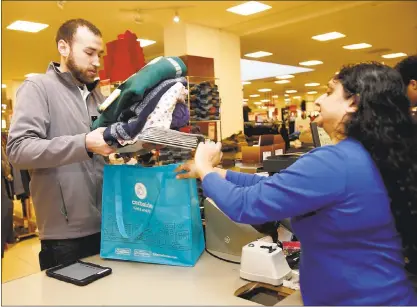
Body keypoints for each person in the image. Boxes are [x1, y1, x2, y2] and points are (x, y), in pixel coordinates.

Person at [176, 62, 417, 305]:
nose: (319, 101)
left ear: (353, 102)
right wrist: (218, 173)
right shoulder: (369, 155)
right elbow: (273, 186)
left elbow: (245, 205)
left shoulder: (335, 161)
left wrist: (205, 166)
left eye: (329, 91)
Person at [6, 19, 115, 270]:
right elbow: (18, 150)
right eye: (89, 52)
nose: (97, 61)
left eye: (99, 54)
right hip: (63, 238)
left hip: (106, 226)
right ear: (64, 48)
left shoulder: (97, 96)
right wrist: (84, 143)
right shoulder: (37, 88)